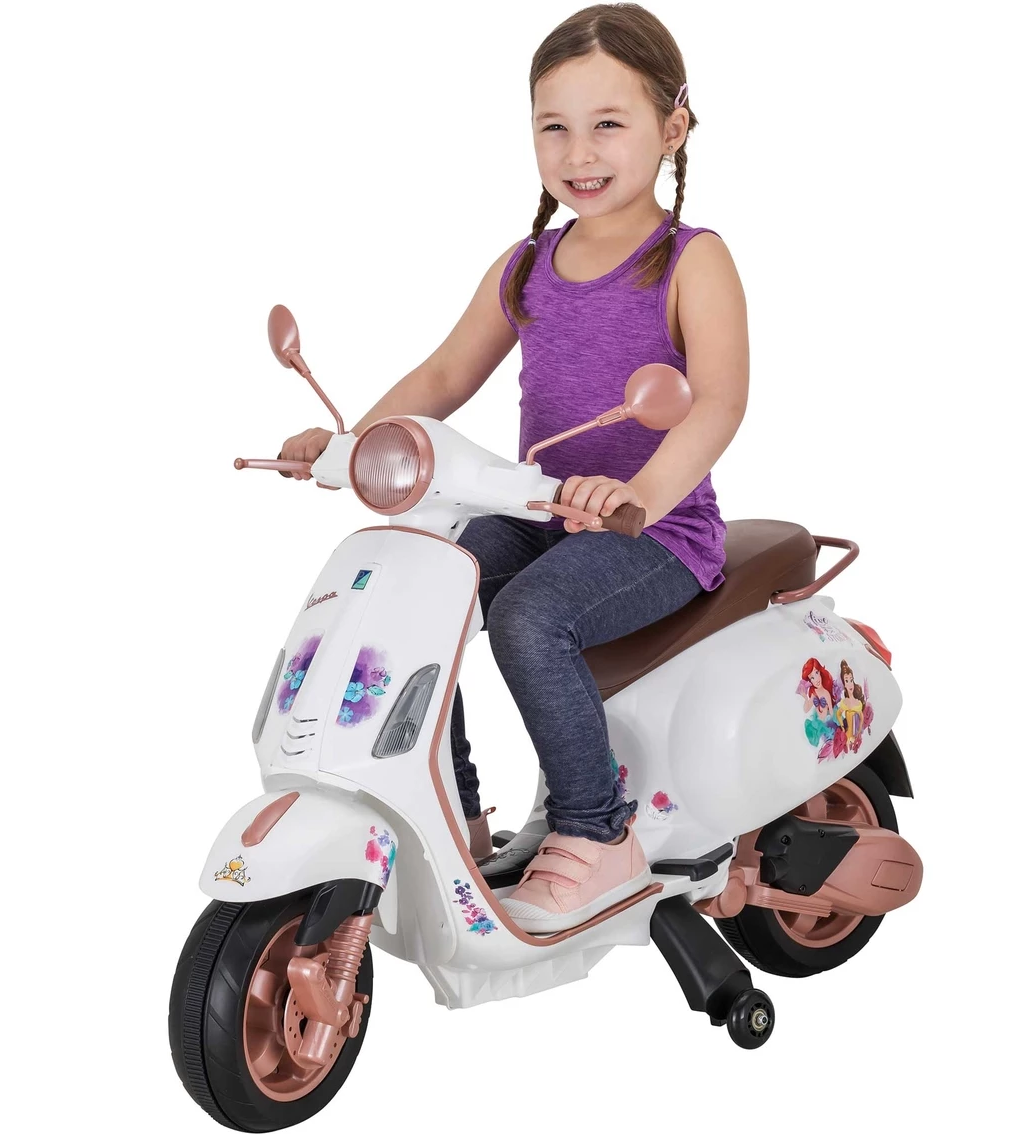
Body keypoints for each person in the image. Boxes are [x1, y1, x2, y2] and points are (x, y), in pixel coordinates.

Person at [279, 3, 748, 933]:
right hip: (541, 511)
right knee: (420, 584)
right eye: (554, 127)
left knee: (530, 618)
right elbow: (444, 376)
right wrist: (351, 443)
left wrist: (641, 493)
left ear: (672, 128)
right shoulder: (528, 264)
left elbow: (721, 401)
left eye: (608, 123)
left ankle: (597, 832)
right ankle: (451, 811)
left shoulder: (692, 261)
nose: (579, 151)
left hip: (656, 532)